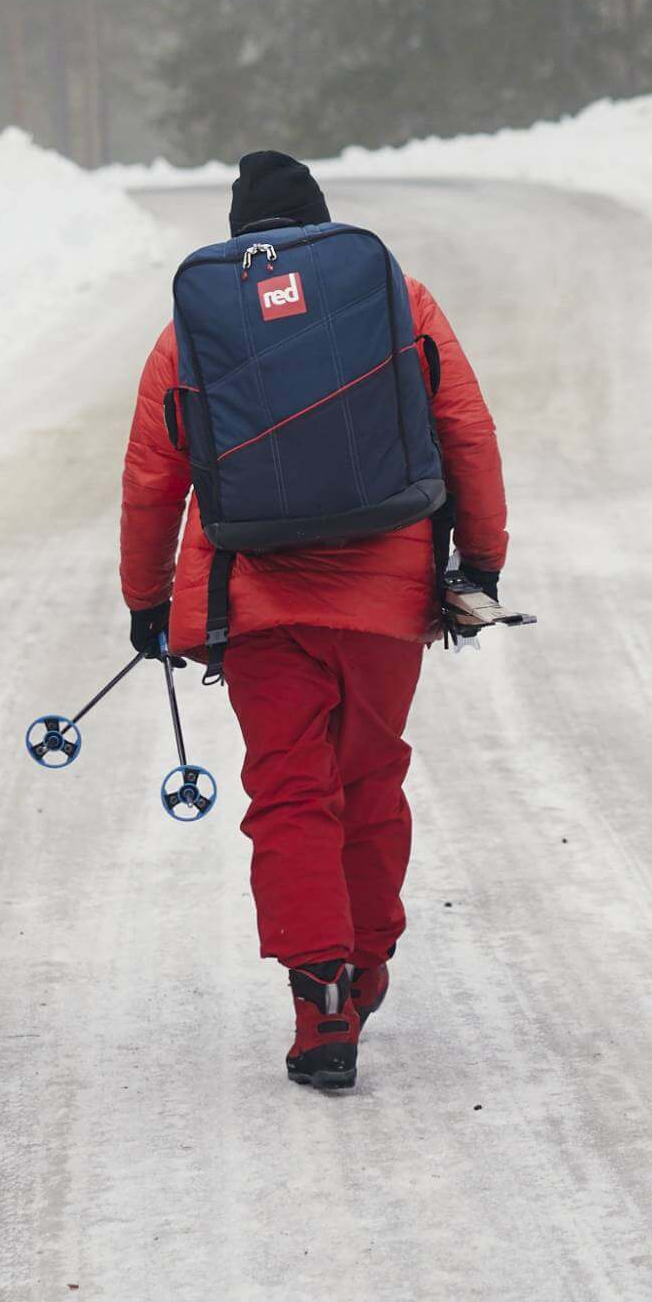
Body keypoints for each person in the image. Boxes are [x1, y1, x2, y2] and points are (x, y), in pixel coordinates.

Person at [119, 151, 508, 1090]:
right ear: (325, 224)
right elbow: (467, 427)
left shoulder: (195, 328)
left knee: (290, 790)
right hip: (389, 592)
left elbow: (151, 474)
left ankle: (319, 993)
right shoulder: (397, 297)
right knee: (370, 778)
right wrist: (482, 558)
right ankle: (366, 961)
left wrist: (147, 597)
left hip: (258, 602)